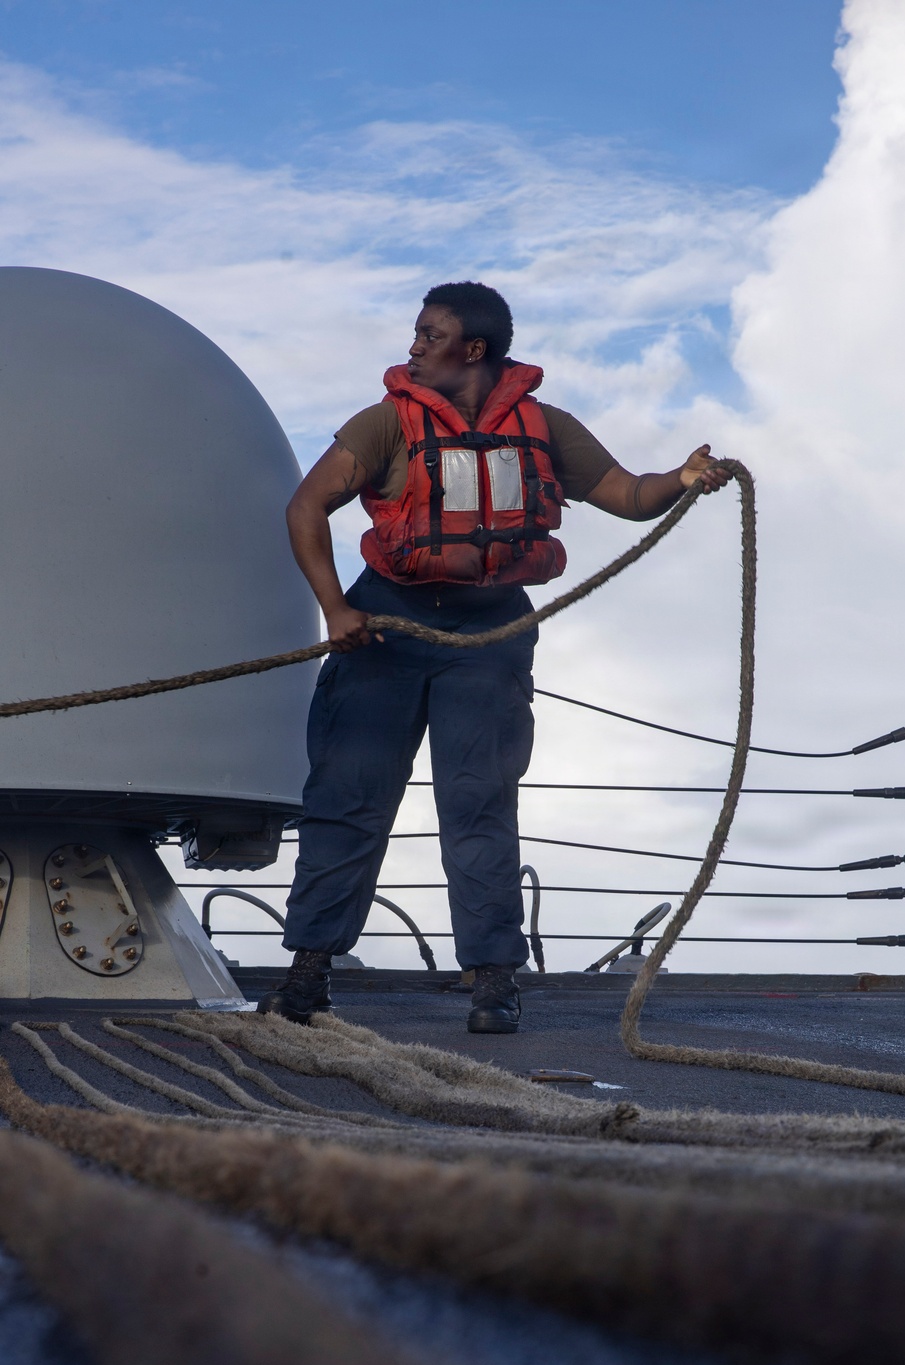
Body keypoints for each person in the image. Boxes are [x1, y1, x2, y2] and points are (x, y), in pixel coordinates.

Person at [260, 282, 732, 1029]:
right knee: (348, 799)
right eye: (417, 333)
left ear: (471, 349)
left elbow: (629, 493)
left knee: (479, 805)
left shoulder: (545, 427)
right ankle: (310, 972)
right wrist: (337, 608)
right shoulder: (384, 424)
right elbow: (305, 505)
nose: (413, 346)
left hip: (490, 637)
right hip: (386, 629)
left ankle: (492, 981)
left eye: (429, 334)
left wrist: (681, 480)